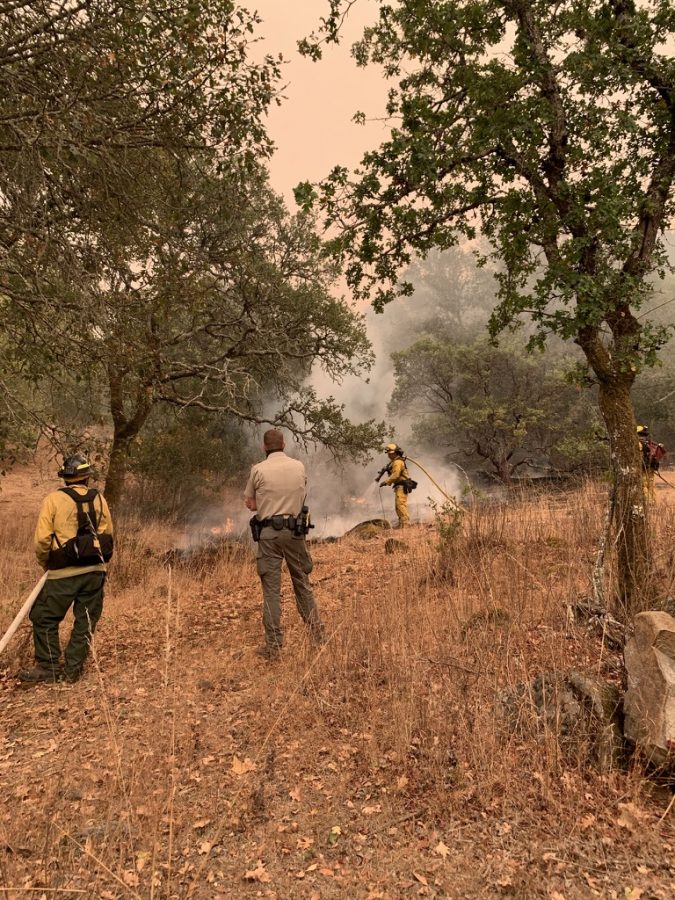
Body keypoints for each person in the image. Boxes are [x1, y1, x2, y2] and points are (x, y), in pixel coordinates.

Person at [18, 454, 113, 684]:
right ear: (87, 477)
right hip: (95, 571)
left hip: (63, 573)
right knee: (86, 621)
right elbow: (107, 534)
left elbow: (42, 540)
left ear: (66, 478)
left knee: (43, 616)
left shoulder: (53, 500)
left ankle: (48, 666)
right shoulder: (99, 499)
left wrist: (46, 562)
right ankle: (72, 670)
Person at [244, 429, 324, 660]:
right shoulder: (298, 466)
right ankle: (318, 635)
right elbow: (302, 494)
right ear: (284, 444)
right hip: (295, 533)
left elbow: (250, 504)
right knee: (302, 583)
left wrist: (266, 502)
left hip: (268, 535)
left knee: (271, 591)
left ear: (264, 447)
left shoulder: (257, 469)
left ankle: (274, 646)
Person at [380, 443, 412, 528]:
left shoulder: (398, 462)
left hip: (402, 485)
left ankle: (406, 524)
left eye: (390, 454)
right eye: (388, 454)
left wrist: (386, 482)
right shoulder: (394, 462)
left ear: (396, 453)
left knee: (400, 504)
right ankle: (402, 524)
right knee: (397, 506)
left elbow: (396, 475)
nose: (389, 456)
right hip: (399, 486)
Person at [637, 424, 666, 503]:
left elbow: (639, 456)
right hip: (651, 467)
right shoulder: (649, 443)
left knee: (644, 485)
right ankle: (653, 501)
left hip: (644, 468)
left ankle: (649, 503)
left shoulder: (638, 444)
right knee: (651, 485)